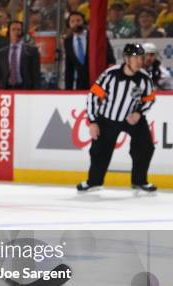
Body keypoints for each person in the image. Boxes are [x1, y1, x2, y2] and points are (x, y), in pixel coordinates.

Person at [78, 43, 157, 193]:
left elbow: (150, 99)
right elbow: (93, 96)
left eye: (142, 57)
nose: (140, 61)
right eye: (136, 58)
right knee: (100, 151)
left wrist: (139, 113)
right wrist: (93, 121)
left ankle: (139, 181)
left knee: (145, 147)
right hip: (108, 119)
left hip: (132, 119)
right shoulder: (110, 74)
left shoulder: (145, 78)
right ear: (127, 59)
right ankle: (94, 182)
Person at [64, 11, 116, 90]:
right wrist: (68, 90)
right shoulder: (68, 41)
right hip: (81, 86)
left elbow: (110, 56)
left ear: (83, 22)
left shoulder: (95, 36)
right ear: (69, 24)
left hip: (100, 81)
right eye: (72, 21)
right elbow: (69, 68)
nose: (76, 23)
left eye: (78, 20)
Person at [0, 21, 41, 90]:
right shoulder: (2, 52)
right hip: (6, 88)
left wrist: (36, 92)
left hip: (25, 89)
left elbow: (35, 74)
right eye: (13, 29)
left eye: (18, 30)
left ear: (22, 32)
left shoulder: (32, 51)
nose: (16, 32)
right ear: (8, 32)